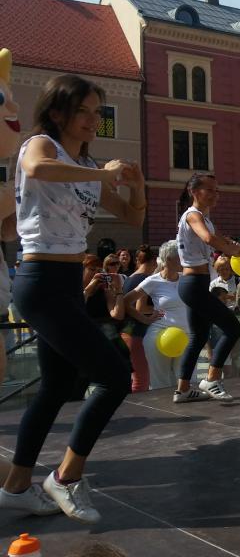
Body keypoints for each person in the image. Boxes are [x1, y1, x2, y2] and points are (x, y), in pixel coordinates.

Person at [0, 73, 145, 524]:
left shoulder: (85, 163)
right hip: (40, 278)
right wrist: (101, 174)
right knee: (115, 377)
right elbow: (37, 169)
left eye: (97, 112)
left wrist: (137, 185)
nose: (92, 120)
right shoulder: (41, 145)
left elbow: (131, 217)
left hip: (65, 281)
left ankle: (16, 487)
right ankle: (65, 477)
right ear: (58, 111)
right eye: (83, 111)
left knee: (57, 387)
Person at [174, 173, 240, 404]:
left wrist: (229, 244)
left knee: (198, 336)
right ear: (194, 192)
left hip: (195, 284)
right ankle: (211, 379)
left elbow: (214, 237)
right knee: (233, 328)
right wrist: (230, 249)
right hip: (193, 284)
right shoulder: (193, 215)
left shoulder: (203, 218)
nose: (215, 194)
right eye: (210, 190)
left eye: (217, 190)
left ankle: (183, 390)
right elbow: (208, 238)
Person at [124, 241, 188, 390]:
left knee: (185, 381)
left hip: (185, 337)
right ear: (169, 259)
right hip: (159, 337)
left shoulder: (185, 279)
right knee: (161, 383)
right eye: (180, 256)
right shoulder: (153, 280)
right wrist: (145, 319)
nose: (184, 259)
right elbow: (126, 301)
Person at [122, 244, 158, 392]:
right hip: (137, 334)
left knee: (134, 379)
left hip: (126, 332)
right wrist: (157, 311)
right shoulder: (145, 280)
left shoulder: (130, 278)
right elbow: (140, 308)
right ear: (154, 261)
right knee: (141, 381)